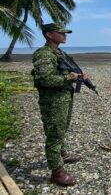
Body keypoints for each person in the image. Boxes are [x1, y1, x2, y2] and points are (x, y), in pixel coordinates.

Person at [32, 23, 84, 186]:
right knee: (54, 134)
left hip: (63, 98)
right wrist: (70, 78)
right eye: (61, 33)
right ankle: (57, 172)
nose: (65, 35)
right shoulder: (43, 54)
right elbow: (45, 80)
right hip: (52, 101)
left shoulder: (59, 52)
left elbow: (62, 71)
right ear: (49, 34)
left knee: (62, 128)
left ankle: (62, 154)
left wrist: (76, 75)